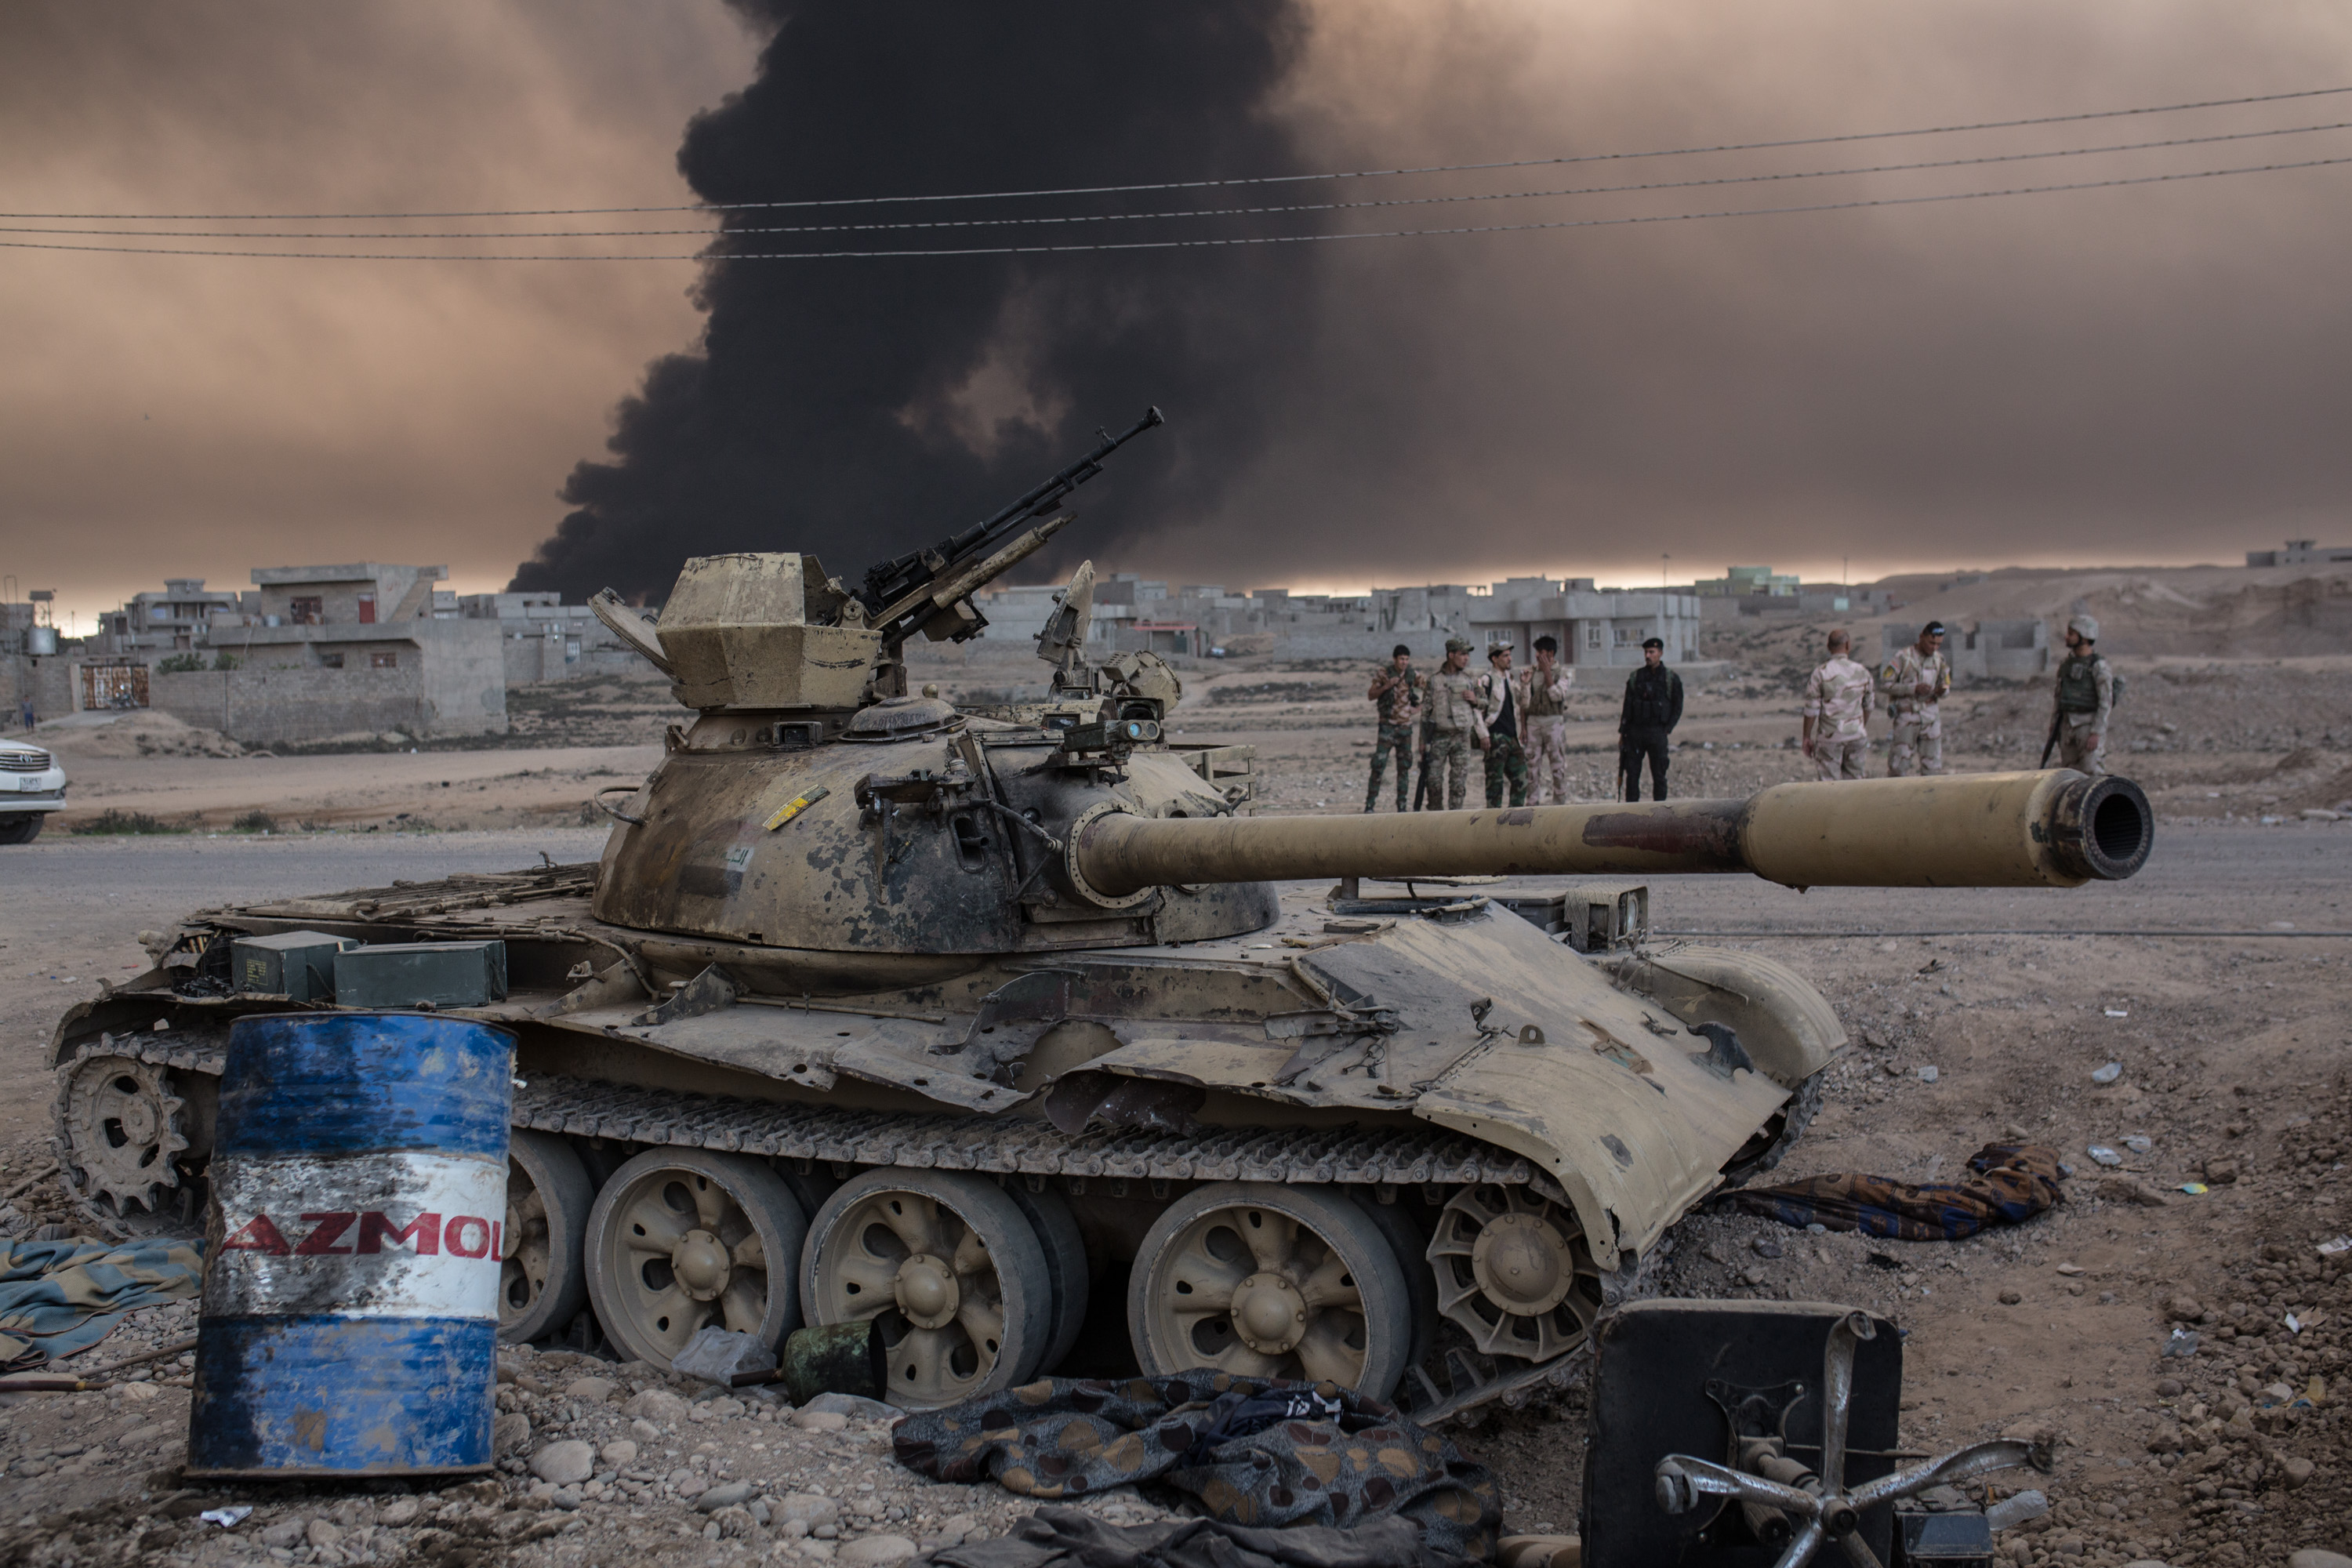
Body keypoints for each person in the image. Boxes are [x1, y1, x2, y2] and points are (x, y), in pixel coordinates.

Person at [1879, 620, 1952, 776]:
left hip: (1931, 719)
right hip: (1907, 718)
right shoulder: (1903, 658)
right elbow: (1885, 684)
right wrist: (1913, 689)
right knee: (1899, 768)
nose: (1934, 648)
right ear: (1921, 637)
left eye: (1938, 644)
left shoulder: (1939, 660)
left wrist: (1941, 691)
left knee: (1933, 769)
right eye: (1931, 643)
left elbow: (1946, 686)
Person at [1802, 629, 1875, 781]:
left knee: (1829, 788)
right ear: (1848, 645)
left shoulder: (1821, 673)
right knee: (1856, 786)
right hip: (1856, 735)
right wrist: (1860, 726)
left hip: (1830, 737)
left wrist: (1806, 737)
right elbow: (1868, 706)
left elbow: (1811, 710)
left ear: (1829, 647)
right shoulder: (1862, 672)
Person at [1420, 637, 1483, 811]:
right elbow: (1425, 713)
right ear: (1451, 655)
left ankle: (1454, 822)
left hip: (1461, 738)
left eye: (1468, 655)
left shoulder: (1470, 680)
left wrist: (1475, 699)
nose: (1466, 658)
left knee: (1458, 783)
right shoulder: (1434, 681)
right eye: (1463, 654)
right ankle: (1435, 820)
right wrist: (1422, 741)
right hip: (1438, 737)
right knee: (1433, 781)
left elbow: (1485, 702)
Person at [1617, 637, 1682, 800]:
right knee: (1632, 776)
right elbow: (1627, 708)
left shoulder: (1671, 679)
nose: (1648, 655)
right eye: (1646, 652)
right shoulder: (1636, 677)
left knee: (1659, 776)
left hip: (1657, 733)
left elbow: (1677, 706)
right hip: (1635, 733)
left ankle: (1659, 817)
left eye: (1652, 652)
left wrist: (1668, 728)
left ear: (1660, 653)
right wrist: (1623, 734)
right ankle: (1630, 817)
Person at [1363, 644, 1425, 812]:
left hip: (1405, 728)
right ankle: (1370, 805)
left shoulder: (1412, 674)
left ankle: (1402, 807)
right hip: (1387, 727)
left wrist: (1418, 708)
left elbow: (1430, 689)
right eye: (1401, 659)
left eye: (1406, 659)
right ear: (1395, 659)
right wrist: (1387, 686)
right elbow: (1371, 695)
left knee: (1404, 768)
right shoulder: (1384, 674)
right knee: (1378, 766)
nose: (1404, 662)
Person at [2050, 614, 2114, 775]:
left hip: (2087, 726)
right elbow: (2059, 698)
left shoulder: (2099, 667)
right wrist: (2054, 727)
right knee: (2069, 775)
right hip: (2067, 725)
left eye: (2071, 633)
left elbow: (2105, 702)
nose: (2067, 637)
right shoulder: (2066, 665)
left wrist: (2096, 732)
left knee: (2092, 773)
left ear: (2084, 637)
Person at [1519, 635, 1576, 804]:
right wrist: (1522, 727)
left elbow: (1557, 695)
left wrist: (1547, 673)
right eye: (1537, 652)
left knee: (1557, 767)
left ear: (1551, 653)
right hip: (1533, 723)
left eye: (1541, 652)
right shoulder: (1531, 673)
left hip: (1553, 722)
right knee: (1531, 768)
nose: (1537, 656)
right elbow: (1524, 702)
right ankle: (1532, 804)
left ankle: (1559, 804)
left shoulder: (1563, 673)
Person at [1472, 644, 1530, 808]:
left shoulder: (1510, 680)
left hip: (1512, 737)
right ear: (1495, 659)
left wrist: (1525, 684)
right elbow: (1477, 710)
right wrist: (1483, 734)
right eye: (1505, 655)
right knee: (1495, 785)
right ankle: (1492, 826)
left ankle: (1514, 822)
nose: (1509, 658)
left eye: (1509, 655)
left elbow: (1524, 704)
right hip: (1495, 737)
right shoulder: (1486, 679)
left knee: (1522, 779)